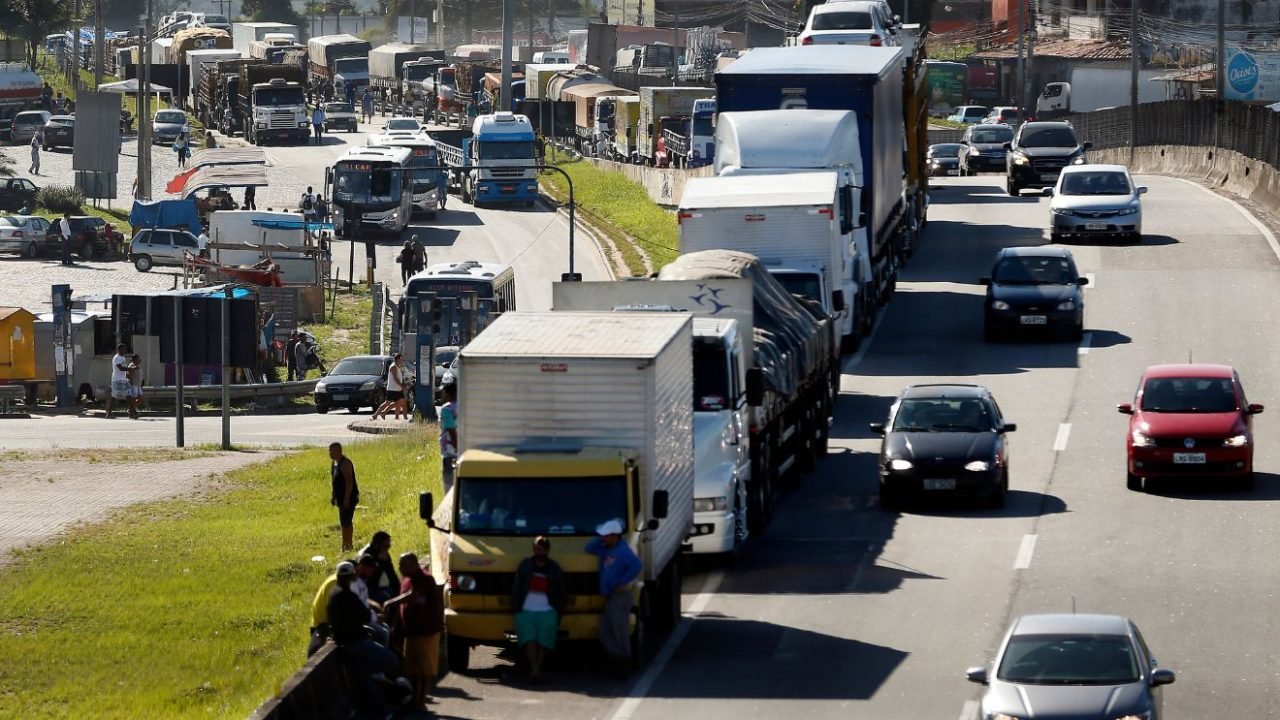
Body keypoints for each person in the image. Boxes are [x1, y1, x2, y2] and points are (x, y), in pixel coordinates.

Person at [327, 562, 401, 719]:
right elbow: (364, 615)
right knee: (391, 660)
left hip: (345, 642)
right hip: (355, 642)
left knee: (364, 679)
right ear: (353, 576)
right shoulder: (348, 596)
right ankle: (377, 682)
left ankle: (380, 708)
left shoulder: (333, 594)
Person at [585, 519, 642, 675]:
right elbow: (589, 547)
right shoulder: (605, 549)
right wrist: (600, 540)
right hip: (610, 597)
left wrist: (623, 582)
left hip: (620, 597)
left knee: (620, 632)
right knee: (604, 632)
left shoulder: (623, 551)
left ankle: (624, 664)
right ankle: (620, 658)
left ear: (615, 536)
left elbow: (637, 565)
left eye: (606, 535)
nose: (603, 538)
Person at [512, 536, 565, 684]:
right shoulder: (525, 566)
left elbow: (561, 591)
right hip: (526, 609)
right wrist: (516, 608)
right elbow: (517, 587)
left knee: (543, 641)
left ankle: (537, 669)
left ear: (547, 550)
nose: (538, 551)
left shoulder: (554, 568)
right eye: (536, 549)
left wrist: (558, 610)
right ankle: (534, 670)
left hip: (547, 610)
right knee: (529, 639)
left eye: (541, 549)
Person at [397, 553, 444, 709]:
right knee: (412, 668)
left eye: (402, 565)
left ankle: (420, 701)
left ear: (413, 564)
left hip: (426, 632)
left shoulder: (425, 579)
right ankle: (413, 699)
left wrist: (389, 603)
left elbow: (414, 596)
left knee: (424, 670)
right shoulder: (406, 580)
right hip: (411, 632)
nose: (400, 568)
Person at [354, 554, 391, 646]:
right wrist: (375, 617)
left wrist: (376, 609)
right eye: (370, 567)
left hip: (366, 617)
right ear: (362, 567)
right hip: (359, 621)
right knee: (383, 633)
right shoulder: (354, 583)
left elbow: (364, 601)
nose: (373, 571)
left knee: (386, 627)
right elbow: (358, 607)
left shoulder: (362, 582)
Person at [330, 442, 360, 552]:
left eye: (332, 451)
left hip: (348, 498)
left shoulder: (345, 463)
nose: (330, 453)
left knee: (347, 522)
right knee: (343, 522)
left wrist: (347, 498)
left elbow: (349, 481)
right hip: (340, 498)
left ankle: (348, 544)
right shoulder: (334, 463)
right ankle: (345, 545)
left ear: (338, 451)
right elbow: (334, 480)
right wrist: (333, 496)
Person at [358, 531, 400, 604]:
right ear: (378, 545)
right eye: (387, 545)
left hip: (376, 585)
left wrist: (399, 591)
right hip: (366, 588)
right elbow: (367, 578)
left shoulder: (382, 553)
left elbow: (391, 575)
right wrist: (382, 561)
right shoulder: (366, 557)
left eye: (389, 544)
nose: (389, 547)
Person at [373, 353, 409, 420]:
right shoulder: (393, 367)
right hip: (393, 389)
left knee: (402, 403)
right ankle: (377, 414)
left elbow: (399, 377)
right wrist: (402, 386)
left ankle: (399, 417)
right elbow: (396, 378)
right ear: (397, 359)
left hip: (398, 389)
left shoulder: (397, 366)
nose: (402, 361)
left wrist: (403, 385)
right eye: (401, 359)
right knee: (388, 403)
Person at [439, 383, 459, 492]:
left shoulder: (447, 409)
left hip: (450, 451)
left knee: (448, 484)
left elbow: (450, 429)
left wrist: (456, 445)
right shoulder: (463, 407)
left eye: (444, 392)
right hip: (462, 450)